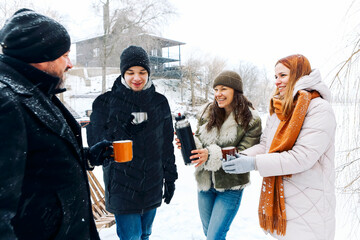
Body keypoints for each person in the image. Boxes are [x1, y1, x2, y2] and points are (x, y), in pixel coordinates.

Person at [0, 9, 113, 240]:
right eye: (65, 55)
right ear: (42, 56)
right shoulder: (6, 102)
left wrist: (88, 156)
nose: (70, 64)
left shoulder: (36, 91)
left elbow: (38, 164)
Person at [222, 54, 336, 239]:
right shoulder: (279, 110)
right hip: (282, 206)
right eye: (275, 77)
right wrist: (242, 157)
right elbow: (267, 145)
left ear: (299, 74)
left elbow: (302, 157)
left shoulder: (318, 108)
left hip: (309, 207)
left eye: (282, 75)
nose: (277, 82)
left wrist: (253, 164)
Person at [87, 45, 178, 240]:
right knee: (131, 237)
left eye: (142, 72)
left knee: (145, 234)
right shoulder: (105, 102)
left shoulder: (159, 102)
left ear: (148, 73)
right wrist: (120, 128)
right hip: (121, 184)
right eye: (130, 72)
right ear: (122, 73)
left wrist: (170, 178)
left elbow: (166, 145)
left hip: (152, 182)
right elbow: (95, 143)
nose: (137, 77)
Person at [176, 70, 262, 240]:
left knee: (215, 236)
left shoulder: (251, 119)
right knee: (210, 235)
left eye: (223, 89)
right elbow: (200, 141)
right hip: (205, 184)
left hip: (231, 186)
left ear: (235, 91)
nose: (218, 94)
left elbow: (243, 154)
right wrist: (190, 145)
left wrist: (210, 155)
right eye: (215, 89)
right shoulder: (207, 112)